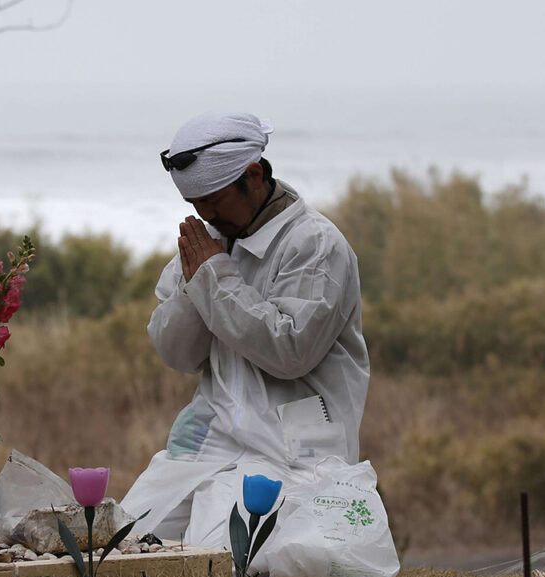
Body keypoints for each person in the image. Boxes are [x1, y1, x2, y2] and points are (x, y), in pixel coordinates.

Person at [122, 111, 370, 547]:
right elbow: (177, 355)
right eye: (195, 207)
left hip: (294, 449)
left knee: (220, 557)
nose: (206, 216)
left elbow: (291, 351)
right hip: (209, 438)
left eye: (215, 202)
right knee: (125, 539)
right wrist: (196, 282)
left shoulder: (314, 244)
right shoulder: (213, 243)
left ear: (253, 175)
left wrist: (215, 280)